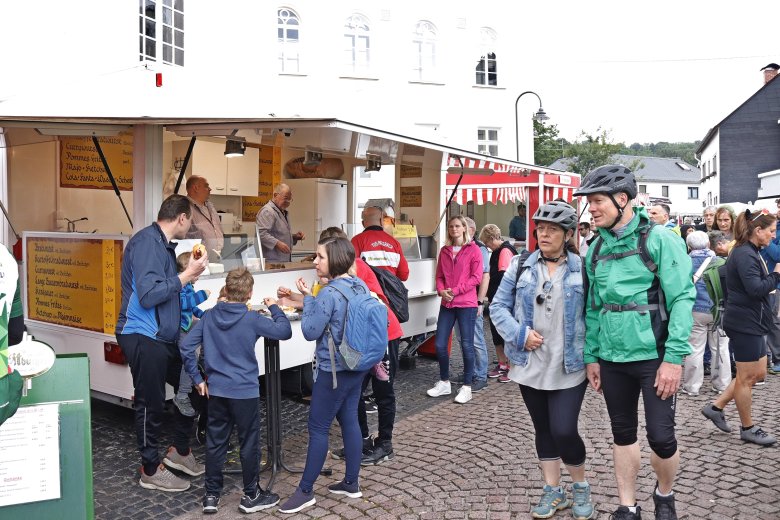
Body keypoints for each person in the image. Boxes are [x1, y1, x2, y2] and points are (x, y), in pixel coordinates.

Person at [574, 165, 695, 520]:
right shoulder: (595, 249)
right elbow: (593, 307)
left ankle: (664, 495)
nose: (591, 208)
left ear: (622, 199)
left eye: (598, 201)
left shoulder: (659, 240)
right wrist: (592, 356)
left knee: (662, 438)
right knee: (622, 432)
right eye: (589, 202)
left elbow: (682, 298)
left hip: (654, 357)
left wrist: (674, 358)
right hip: (612, 359)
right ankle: (627, 506)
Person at [490, 201, 595, 520]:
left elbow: (594, 314)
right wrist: (519, 334)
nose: (544, 234)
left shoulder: (582, 268)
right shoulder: (521, 264)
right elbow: (497, 307)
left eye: (552, 229)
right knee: (543, 429)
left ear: (568, 234)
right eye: (541, 229)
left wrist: (595, 358)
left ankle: (580, 486)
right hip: (529, 363)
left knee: (564, 429)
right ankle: (553, 490)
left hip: (569, 363)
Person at [115, 194, 209, 492]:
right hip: (142, 334)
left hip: (164, 337)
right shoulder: (147, 243)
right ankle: (150, 469)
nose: (190, 226)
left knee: (194, 386)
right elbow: (148, 296)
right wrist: (187, 275)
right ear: (181, 218)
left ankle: (179, 451)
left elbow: (168, 293)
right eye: (190, 220)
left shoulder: (163, 246)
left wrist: (186, 275)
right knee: (151, 402)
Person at [180, 267, 292, 514]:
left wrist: (197, 379)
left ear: (227, 289)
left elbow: (186, 347)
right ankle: (251, 495)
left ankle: (211, 496)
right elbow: (284, 331)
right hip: (244, 391)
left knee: (215, 443)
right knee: (248, 442)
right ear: (249, 293)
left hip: (217, 391)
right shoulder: (252, 319)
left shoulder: (209, 316)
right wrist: (275, 307)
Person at [278, 237, 372, 514]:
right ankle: (351, 482)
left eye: (320, 257)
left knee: (318, 428)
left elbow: (310, 331)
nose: (316, 261)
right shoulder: (359, 285)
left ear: (335, 259)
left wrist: (308, 298)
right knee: (349, 420)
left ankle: (305, 491)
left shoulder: (329, 293)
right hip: (357, 364)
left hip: (334, 370)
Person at [702, 209, 780, 446]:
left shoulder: (751, 251)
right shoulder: (745, 254)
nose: (773, 235)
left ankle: (716, 407)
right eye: (771, 231)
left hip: (753, 320)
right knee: (746, 378)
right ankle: (748, 428)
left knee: (758, 374)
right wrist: (776, 275)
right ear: (758, 230)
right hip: (744, 322)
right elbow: (755, 289)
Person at [426, 215, 483, 404]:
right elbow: (439, 276)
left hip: (466, 303)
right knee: (440, 344)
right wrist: (441, 291)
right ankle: (444, 382)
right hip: (447, 304)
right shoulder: (444, 251)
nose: (454, 229)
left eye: (458, 226)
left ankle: (467, 386)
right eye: (451, 226)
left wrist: (455, 290)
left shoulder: (474, 250)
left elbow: (476, 277)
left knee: (467, 345)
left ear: (465, 228)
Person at [681, 231, 731, 396]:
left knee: (695, 349)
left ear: (689, 246)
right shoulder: (721, 262)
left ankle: (692, 386)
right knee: (721, 348)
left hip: (695, 310)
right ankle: (722, 385)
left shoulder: (685, 262)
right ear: (709, 244)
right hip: (719, 309)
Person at [172, 251, 211, 418]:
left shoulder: (187, 285)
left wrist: (204, 315)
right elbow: (183, 304)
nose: (199, 276)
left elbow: (191, 308)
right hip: (179, 328)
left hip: (186, 324)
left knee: (205, 330)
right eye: (197, 273)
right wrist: (202, 295)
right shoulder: (179, 284)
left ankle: (203, 363)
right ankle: (182, 395)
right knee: (190, 357)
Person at [479, 223, 518, 384]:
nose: (487, 246)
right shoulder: (497, 251)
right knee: (496, 333)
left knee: (504, 334)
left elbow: (504, 278)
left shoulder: (504, 251)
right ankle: (502, 364)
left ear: (492, 238)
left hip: (503, 302)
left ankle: (510, 367)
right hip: (495, 300)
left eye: (487, 242)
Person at [464, 217, 489, 392]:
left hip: (473, 301)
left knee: (476, 339)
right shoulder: (460, 247)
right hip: (461, 301)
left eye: (462, 227)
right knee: (465, 340)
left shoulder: (480, 249)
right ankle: (470, 372)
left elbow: (485, 276)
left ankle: (481, 375)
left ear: (471, 230)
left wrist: (480, 301)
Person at [351, 206, 410, 280]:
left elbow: (351, 271)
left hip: (367, 286)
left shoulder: (356, 241)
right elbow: (404, 275)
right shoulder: (395, 243)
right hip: (391, 287)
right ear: (381, 221)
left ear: (363, 223)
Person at [255, 183, 305, 262]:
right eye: (286, 198)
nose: (288, 202)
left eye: (290, 199)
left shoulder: (283, 212)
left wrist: (294, 237)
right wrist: (277, 243)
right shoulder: (268, 211)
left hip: (283, 260)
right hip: (272, 261)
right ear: (275, 195)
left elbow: (278, 235)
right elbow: (261, 234)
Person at [185, 175, 224, 261]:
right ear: (196, 188)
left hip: (218, 258)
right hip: (198, 260)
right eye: (206, 186)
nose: (210, 189)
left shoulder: (210, 206)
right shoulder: (185, 208)